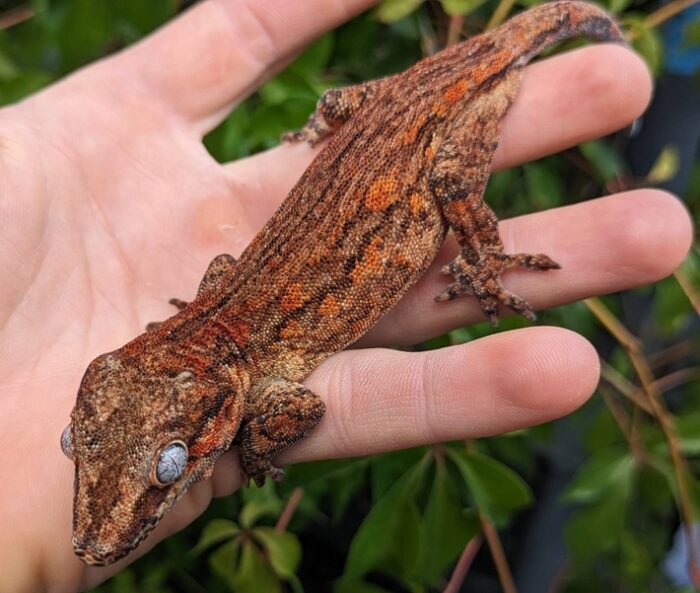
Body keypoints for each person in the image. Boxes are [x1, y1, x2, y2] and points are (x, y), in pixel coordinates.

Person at [0, 1, 691, 591]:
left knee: (451, 186)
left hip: (448, 116)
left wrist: (255, 443)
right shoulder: (218, 320)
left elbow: (300, 407)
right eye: (77, 441)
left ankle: (488, 258)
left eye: (172, 462)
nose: (98, 528)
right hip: (377, 112)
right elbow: (225, 284)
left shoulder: (254, 373)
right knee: (334, 107)